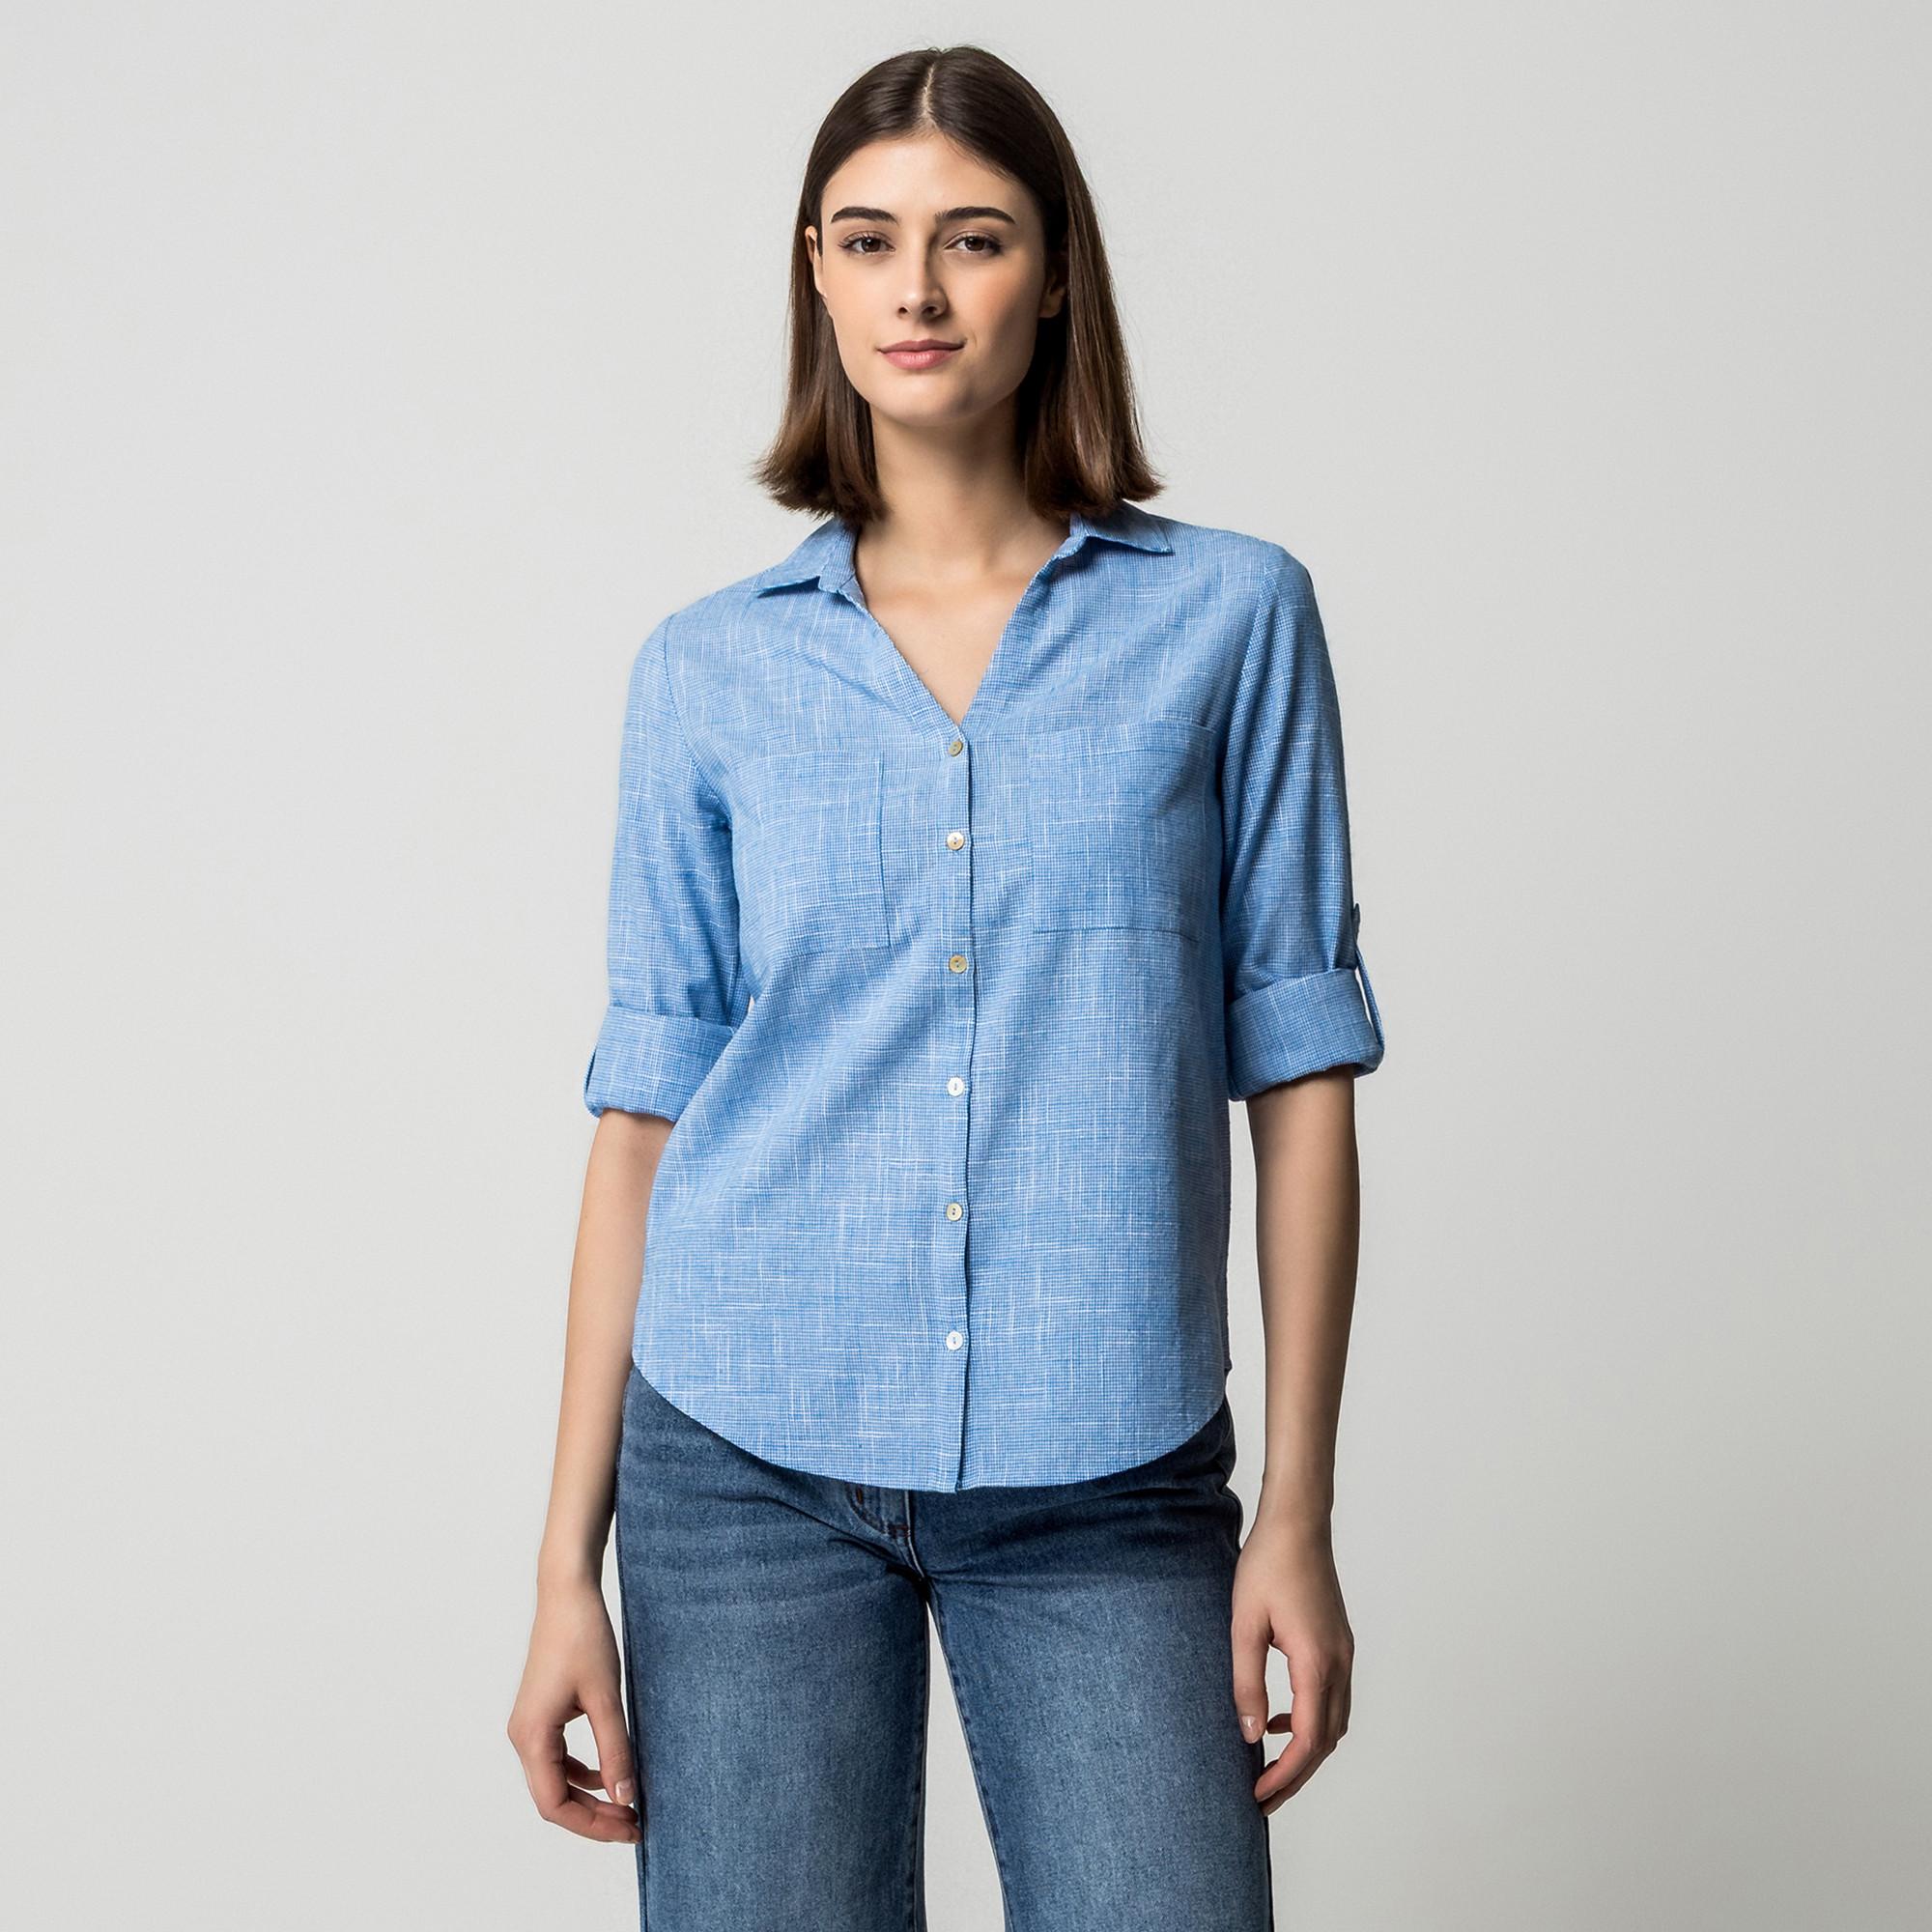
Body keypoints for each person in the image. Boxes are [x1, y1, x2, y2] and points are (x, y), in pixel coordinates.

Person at [507, 43, 1387, 1932]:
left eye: (972, 239)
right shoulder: (707, 673)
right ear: (816, 277)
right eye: (868, 240)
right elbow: (643, 1120)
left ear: (1054, 274)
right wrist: (564, 1565)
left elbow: (1300, 1077)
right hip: (740, 1457)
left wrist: (1297, 1514)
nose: (916, 288)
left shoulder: (1231, 619)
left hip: (1110, 1460)